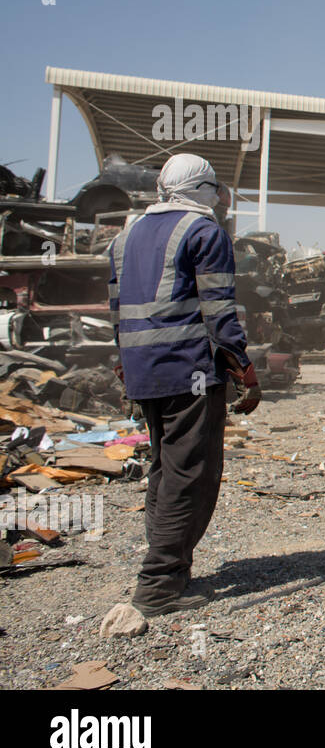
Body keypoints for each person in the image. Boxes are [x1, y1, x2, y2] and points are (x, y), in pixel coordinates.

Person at [108, 153, 261, 617]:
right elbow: (218, 309)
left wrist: (124, 364)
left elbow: (116, 310)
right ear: (201, 189)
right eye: (215, 189)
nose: (220, 198)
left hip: (144, 370)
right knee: (190, 473)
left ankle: (169, 570)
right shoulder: (204, 232)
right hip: (188, 368)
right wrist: (242, 366)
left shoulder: (123, 236)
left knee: (163, 467)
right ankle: (158, 586)